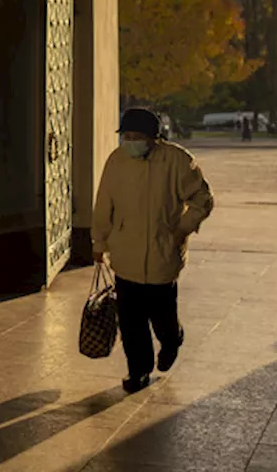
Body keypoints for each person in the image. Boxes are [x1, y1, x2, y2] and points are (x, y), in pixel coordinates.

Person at [92, 108, 214, 394]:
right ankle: (139, 371)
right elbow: (103, 205)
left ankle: (172, 339)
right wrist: (99, 243)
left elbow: (202, 198)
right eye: (126, 136)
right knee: (132, 323)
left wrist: (182, 228)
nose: (130, 142)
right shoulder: (116, 161)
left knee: (162, 317)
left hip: (163, 255)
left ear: (154, 139)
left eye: (137, 137)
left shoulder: (178, 161)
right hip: (125, 256)